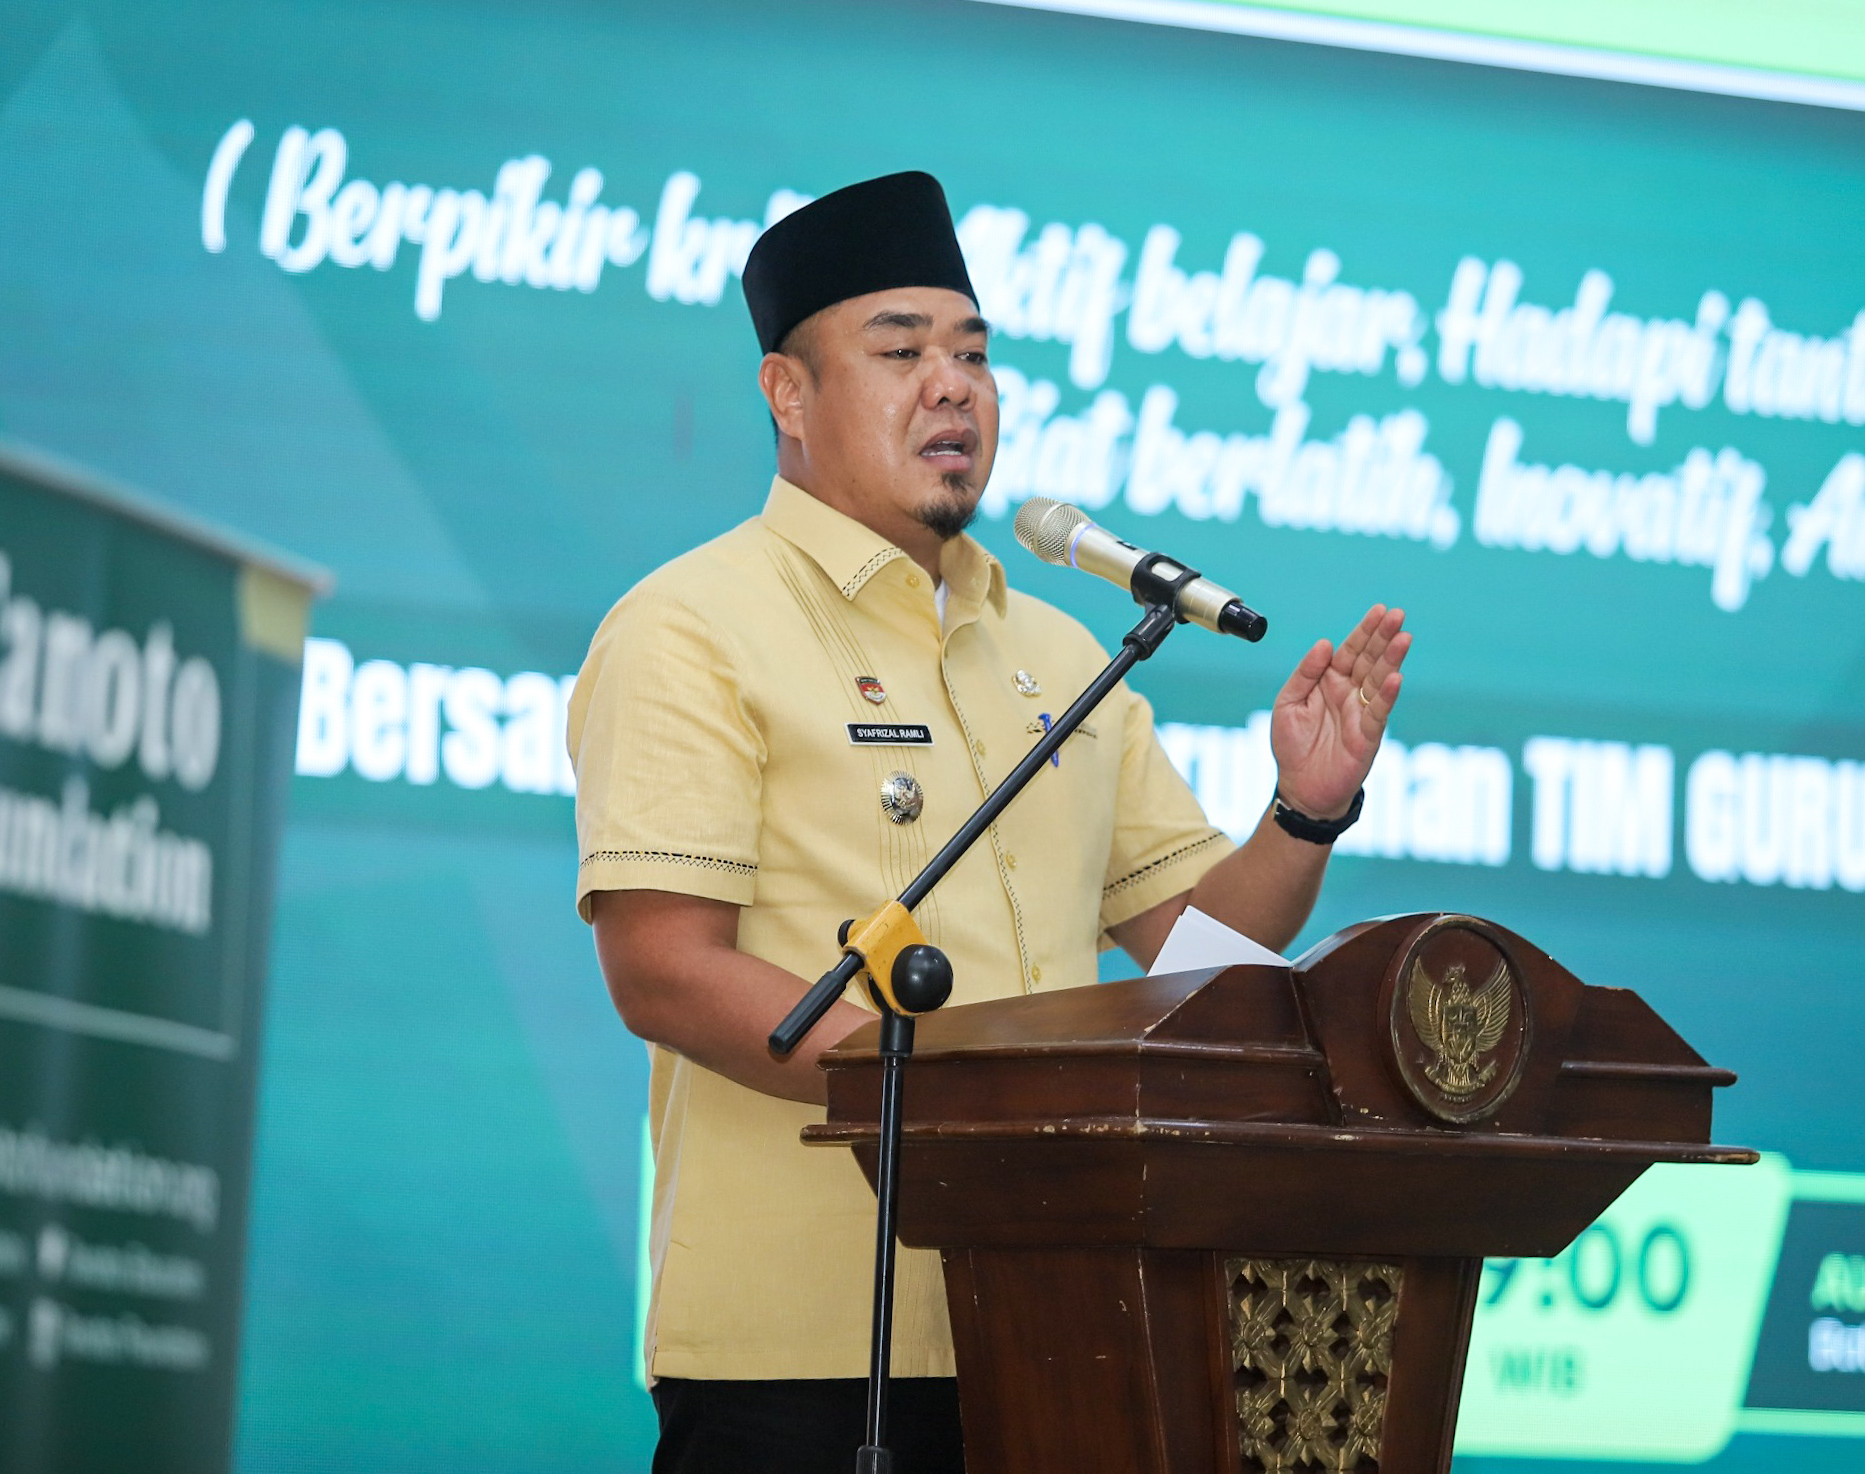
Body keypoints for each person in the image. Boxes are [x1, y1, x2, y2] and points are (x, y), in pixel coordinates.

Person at [568, 170, 1410, 1474]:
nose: (951, 387)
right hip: (801, 1354)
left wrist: (1306, 807)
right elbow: (664, 968)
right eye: (900, 351)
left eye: (972, 354)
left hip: (1054, 1320)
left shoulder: (1062, 651)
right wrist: (977, 1119)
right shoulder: (691, 626)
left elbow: (1199, 958)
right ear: (787, 394)